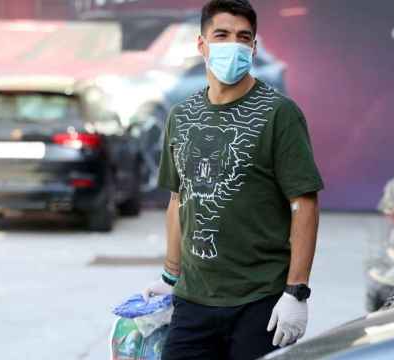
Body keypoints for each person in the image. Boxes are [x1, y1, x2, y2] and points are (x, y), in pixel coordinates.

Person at [142, 1, 324, 359]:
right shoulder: (181, 116)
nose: (234, 45)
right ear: (201, 45)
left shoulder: (280, 114)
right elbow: (178, 201)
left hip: (260, 302)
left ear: (254, 48)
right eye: (221, 35)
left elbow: (304, 204)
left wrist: (296, 291)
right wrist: (169, 277)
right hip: (193, 301)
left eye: (244, 38)